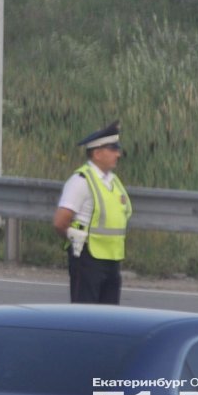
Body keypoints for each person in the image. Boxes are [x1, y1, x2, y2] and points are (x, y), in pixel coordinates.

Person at [53, 120, 132, 304]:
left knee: (109, 318)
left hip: (112, 258)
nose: (118, 154)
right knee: (85, 316)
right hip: (88, 258)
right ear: (97, 153)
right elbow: (60, 221)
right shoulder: (81, 181)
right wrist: (73, 238)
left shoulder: (113, 181)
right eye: (112, 148)